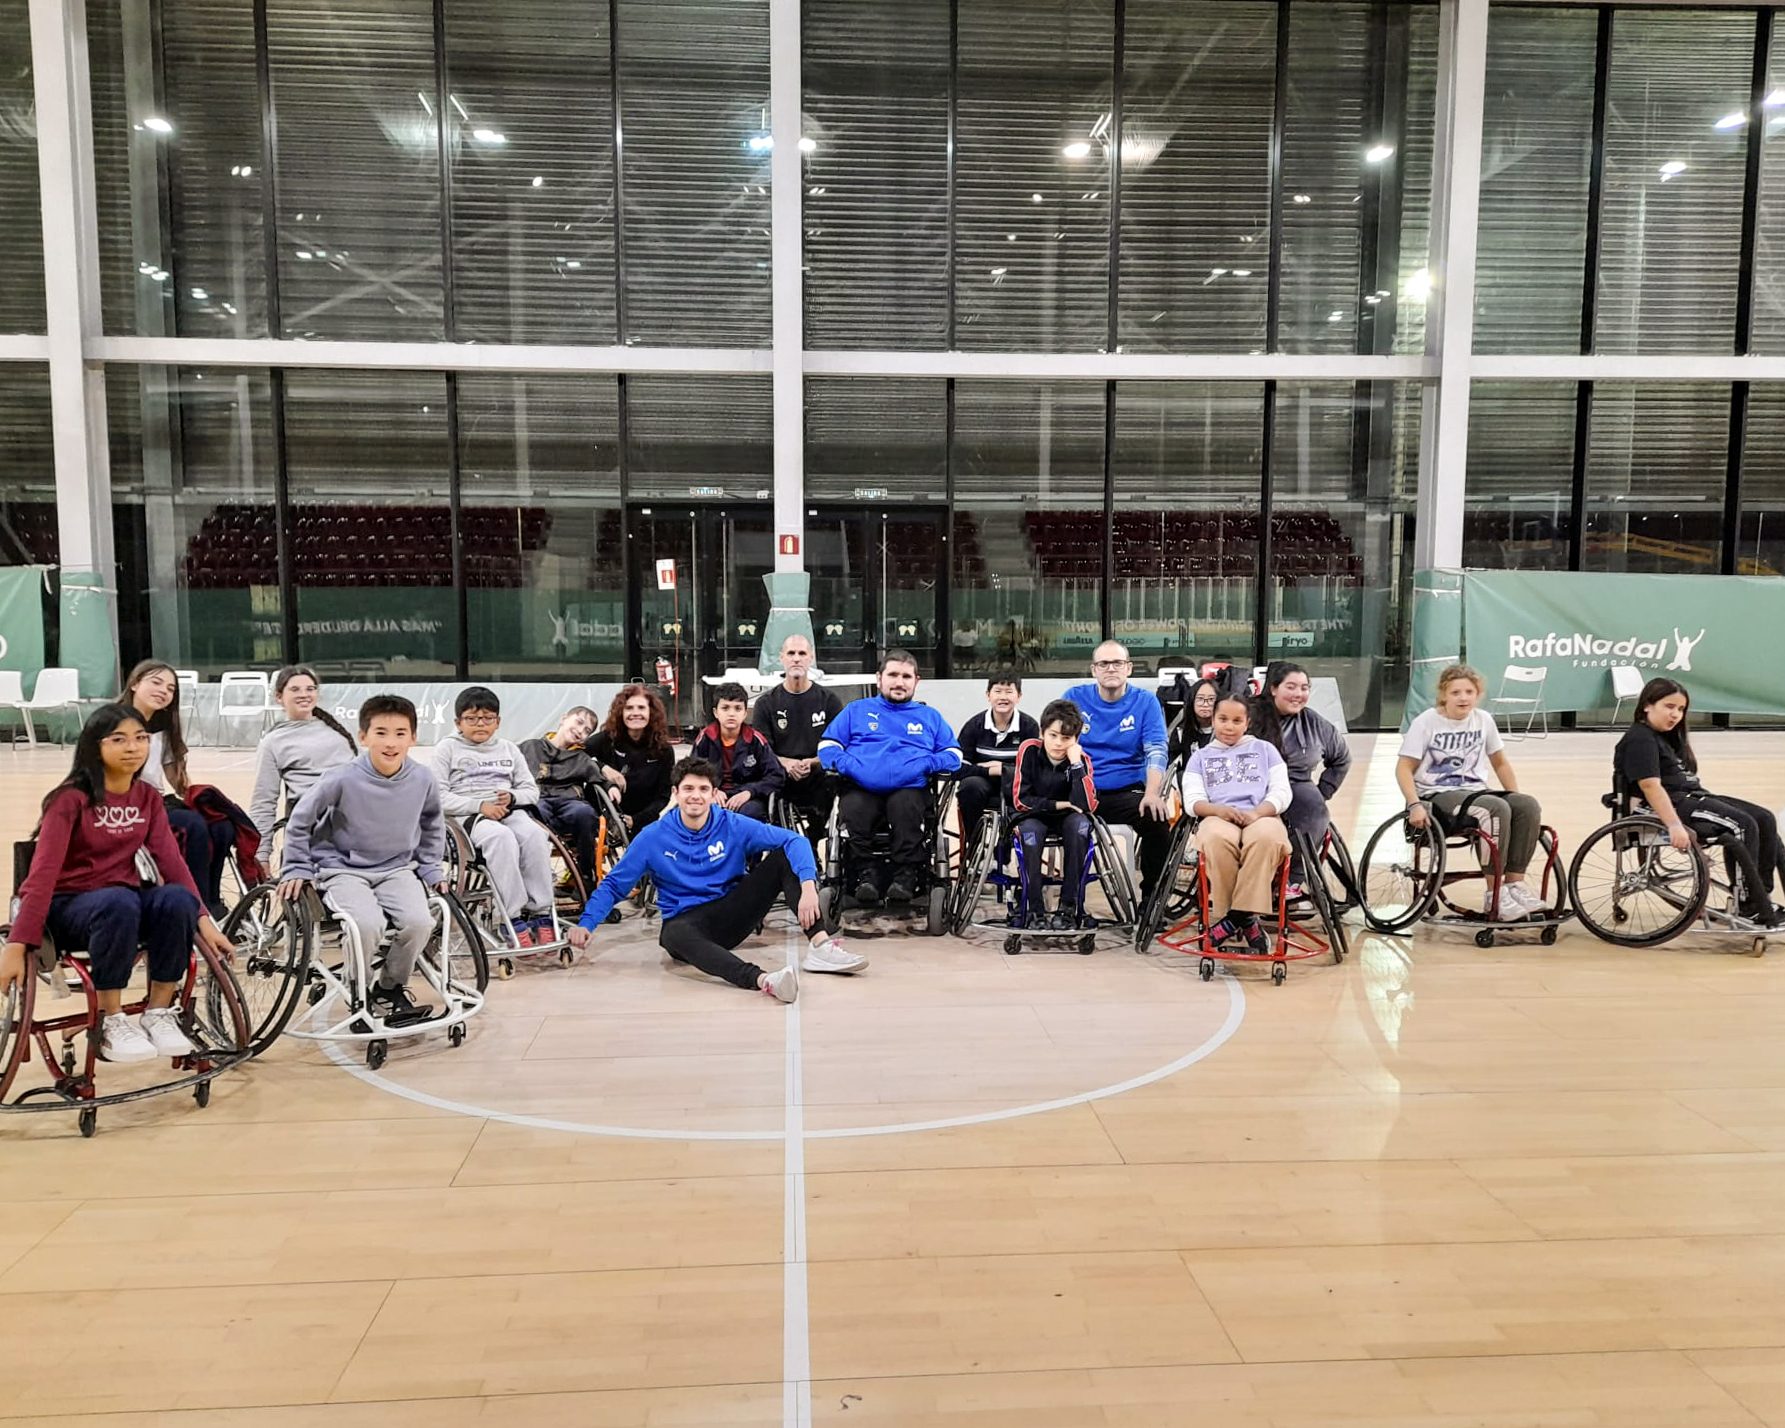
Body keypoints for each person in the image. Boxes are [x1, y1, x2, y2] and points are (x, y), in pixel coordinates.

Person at [0, 704, 234, 1064]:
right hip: (70, 910)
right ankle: (110, 1020)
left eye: (141, 738)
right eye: (119, 739)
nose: (132, 747)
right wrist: (17, 943)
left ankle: (158, 1013)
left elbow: (172, 863)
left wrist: (206, 922)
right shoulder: (70, 799)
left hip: (121, 904)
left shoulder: (147, 798)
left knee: (176, 899)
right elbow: (41, 875)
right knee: (118, 901)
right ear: (97, 746)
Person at [568, 755, 868, 997]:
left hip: (732, 912)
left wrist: (808, 887)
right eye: (688, 789)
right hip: (688, 923)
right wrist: (587, 923)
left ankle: (821, 947)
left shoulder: (731, 823)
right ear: (676, 793)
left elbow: (795, 840)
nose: (695, 796)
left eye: (702, 790)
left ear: (714, 794)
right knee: (671, 934)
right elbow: (613, 886)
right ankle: (762, 980)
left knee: (784, 856)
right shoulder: (652, 838)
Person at [279, 695, 446, 1025]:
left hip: (397, 868)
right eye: (381, 732)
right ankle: (359, 991)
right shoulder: (342, 777)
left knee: (420, 922)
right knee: (366, 925)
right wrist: (296, 866)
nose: (391, 742)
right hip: (343, 869)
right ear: (364, 737)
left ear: (413, 737)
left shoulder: (423, 779)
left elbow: (432, 824)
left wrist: (430, 867)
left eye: (400, 733)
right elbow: (300, 819)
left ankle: (389, 988)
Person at [1615, 677, 1784, 926]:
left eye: (1681, 709)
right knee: (1741, 825)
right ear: (1647, 705)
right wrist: (1673, 825)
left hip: (1691, 798)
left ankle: (1762, 896)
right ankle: (1750, 904)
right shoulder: (1640, 738)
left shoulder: (1668, 738)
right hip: (1667, 805)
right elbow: (1650, 786)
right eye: (1669, 706)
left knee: (1764, 818)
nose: (1676, 715)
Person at [1397, 664, 1546, 920]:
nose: (1463, 697)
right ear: (1444, 695)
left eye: (1469, 691)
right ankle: (1494, 896)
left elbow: (1500, 762)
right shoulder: (1426, 722)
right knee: (1494, 809)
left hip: (1475, 791)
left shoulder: (1483, 720)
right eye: (1455, 692)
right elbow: (1403, 768)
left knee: (1527, 805)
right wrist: (1413, 804)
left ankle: (1514, 886)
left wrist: (1515, 800)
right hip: (1437, 795)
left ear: (1478, 694)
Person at [817, 648, 962, 906]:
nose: (899, 682)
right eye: (893, 674)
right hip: (862, 786)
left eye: (906, 676)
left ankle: (905, 876)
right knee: (854, 807)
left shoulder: (930, 717)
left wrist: (926, 763)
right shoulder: (855, 710)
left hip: (910, 788)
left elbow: (954, 755)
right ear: (879, 678)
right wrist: (852, 765)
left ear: (916, 681)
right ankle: (866, 874)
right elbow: (827, 746)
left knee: (905, 806)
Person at [432, 687, 557, 944]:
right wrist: (479, 805)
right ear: (458, 722)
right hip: (466, 818)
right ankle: (511, 917)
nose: (480, 724)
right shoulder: (447, 749)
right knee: (501, 838)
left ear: (498, 722)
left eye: (488, 718)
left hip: (508, 811)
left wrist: (512, 797)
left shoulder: (509, 749)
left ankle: (541, 911)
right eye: (472, 718)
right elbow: (437, 796)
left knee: (535, 834)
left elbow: (530, 791)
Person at [121, 660, 241, 920]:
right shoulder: (113, 722)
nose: (164, 691)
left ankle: (212, 901)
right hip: (127, 804)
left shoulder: (163, 728)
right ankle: (196, 909)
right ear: (134, 684)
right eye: (156, 682)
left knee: (221, 825)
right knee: (192, 825)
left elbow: (178, 782)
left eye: (171, 688)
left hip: (158, 801)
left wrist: (205, 799)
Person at [1181, 693, 1293, 956]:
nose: (1229, 726)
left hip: (1261, 814)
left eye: (1236, 720)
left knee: (1267, 838)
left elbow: (1282, 792)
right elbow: (1193, 801)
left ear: (1247, 722)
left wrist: (1257, 813)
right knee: (1214, 839)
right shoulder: (1200, 757)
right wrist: (1219, 810)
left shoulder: (1266, 750)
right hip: (1217, 815)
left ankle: (1233, 918)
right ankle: (1247, 921)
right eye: (1223, 719)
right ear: (1214, 719)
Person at [1065, 641, 1172, 901]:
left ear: (1129, 668)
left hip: (1127, 792)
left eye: (1117, 663)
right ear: (1093, 670)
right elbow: (1055, 743)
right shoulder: (1074, 698)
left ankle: (1151, 899)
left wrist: (1152, 793)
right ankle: (1066, 903)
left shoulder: (1145, 702)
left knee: (1156, 818)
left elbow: (1156, 750)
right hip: (1082, 793)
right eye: (1104, 663)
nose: (1110, 669)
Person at [1250, 662, 1351, 884]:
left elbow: (1342, 759)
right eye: (1291, 687)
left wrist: (1323, 792)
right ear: (1274, 688)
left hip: (1295, 784)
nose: (1299, 694)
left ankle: (1292, 879)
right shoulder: (1248, 713)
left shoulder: (1314, 722)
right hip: (1251, 785)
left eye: (1304, 688)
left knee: (1316, 810)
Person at [1008, 700, 1098, 931]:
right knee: (1030, 833)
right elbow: (1021, 800)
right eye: (1053, 735)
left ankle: (1068, 908)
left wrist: (1076, 763)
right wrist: (1059, 804)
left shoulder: (1082, 760)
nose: (1058, 743)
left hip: (1068, 819)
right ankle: (1034, 909)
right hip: (1033, 816)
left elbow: (1086, 805)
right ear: (1042, 733)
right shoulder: (1028, 749)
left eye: (1066, 738)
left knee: (1080, 827)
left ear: (1076, 739)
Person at [751, 634, 844, 852]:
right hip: (780, 775)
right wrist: (786, 764)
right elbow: (761, 749)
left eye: (802, 654)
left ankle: (812, 844)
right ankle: (785, 850)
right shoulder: (766, 703)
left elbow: (839, 747)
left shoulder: (829, 701)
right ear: (781, 658)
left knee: (833, 781)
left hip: (817, 774)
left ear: (811, 658)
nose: (796, 659)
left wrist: (811, 762)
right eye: (791, 654)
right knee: (768, 783)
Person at [247, 665, 358, 845]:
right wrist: (262, 854)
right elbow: (264, 802)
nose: (304, 694)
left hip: (356, 812)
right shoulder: (273, 742)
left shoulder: (340, 728)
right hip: (312, 820)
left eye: (310, 689)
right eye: (295, 689)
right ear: (279, 697)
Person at [519, 706, 603, 889]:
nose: (580, 731)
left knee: (585, 812)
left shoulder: (582, 758)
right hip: (538, 800)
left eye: (587, 730)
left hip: (570, 803)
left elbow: (600, 778)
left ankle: (585, 874)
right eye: (579, 722)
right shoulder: (530, 747)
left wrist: (611, 786)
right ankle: (536, 874)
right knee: (534, 811)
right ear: (564, 718)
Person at [954, 673, 1039, 844]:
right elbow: (957, 768)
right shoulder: (974, 726)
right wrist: (989, 770)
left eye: (1009, 692)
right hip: (982, 783)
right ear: (988, 695)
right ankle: (975, 847)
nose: (1003, 697)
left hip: (1014, 786)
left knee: (1019, 795)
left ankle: (1005, 854)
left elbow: (1034, 770)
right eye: (998, 691)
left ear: (1019, 696)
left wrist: (1003, 769)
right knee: (969, 787)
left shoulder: (1029, 727)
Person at [588, 685, 677, 833]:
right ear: (620, 712)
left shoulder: (664, 750)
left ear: (651, 713)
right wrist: (602, 767)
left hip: (643, 820)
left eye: (641, 708)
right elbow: (576, 754)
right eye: (629, 708)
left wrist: (635, 820)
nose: (635, 713)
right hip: (604, 816)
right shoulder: (607, 739)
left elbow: (663, 796)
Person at [693, 682, 785, 822]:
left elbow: (776, 775)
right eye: (725, 708)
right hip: (713, 795)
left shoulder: (756, 741)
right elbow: (691, 772)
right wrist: (710, 791)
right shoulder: (705, 738)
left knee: (748, 815)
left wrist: (749, 792)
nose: (731, 714)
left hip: (748, 798)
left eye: (737, 708)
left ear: (745, 713)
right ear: (716, 712)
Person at [1160, 673, 1220, 764]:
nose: (1205, 704)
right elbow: (1170, 763)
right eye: (1200, 699)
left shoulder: (1226, 732)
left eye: (1211, 699)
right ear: (1192, 701)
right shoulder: (1180, 732)